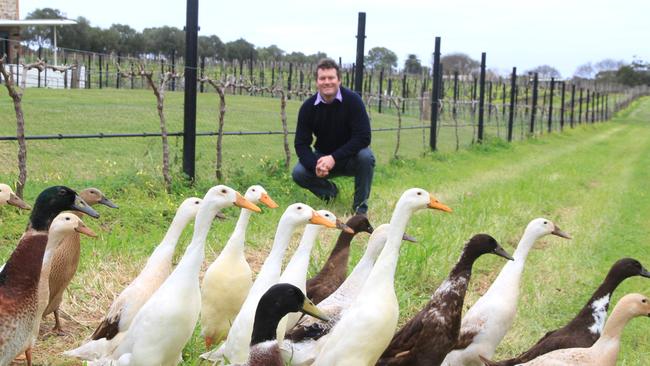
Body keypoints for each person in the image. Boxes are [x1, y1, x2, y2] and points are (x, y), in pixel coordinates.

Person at [292, 58, 375, 215]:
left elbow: (364, 137)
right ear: (317, 82)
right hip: (322, 157)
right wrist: (315, 165)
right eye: (322, 78)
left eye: (331, 78)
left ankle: (359, 209)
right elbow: (301, 144)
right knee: (299, 173)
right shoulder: (308, 107)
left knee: (366, 157)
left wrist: (334, 158)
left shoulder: (353, 101)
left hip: (351, 157)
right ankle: (331, 193)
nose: (327, 82)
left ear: (339, 80)